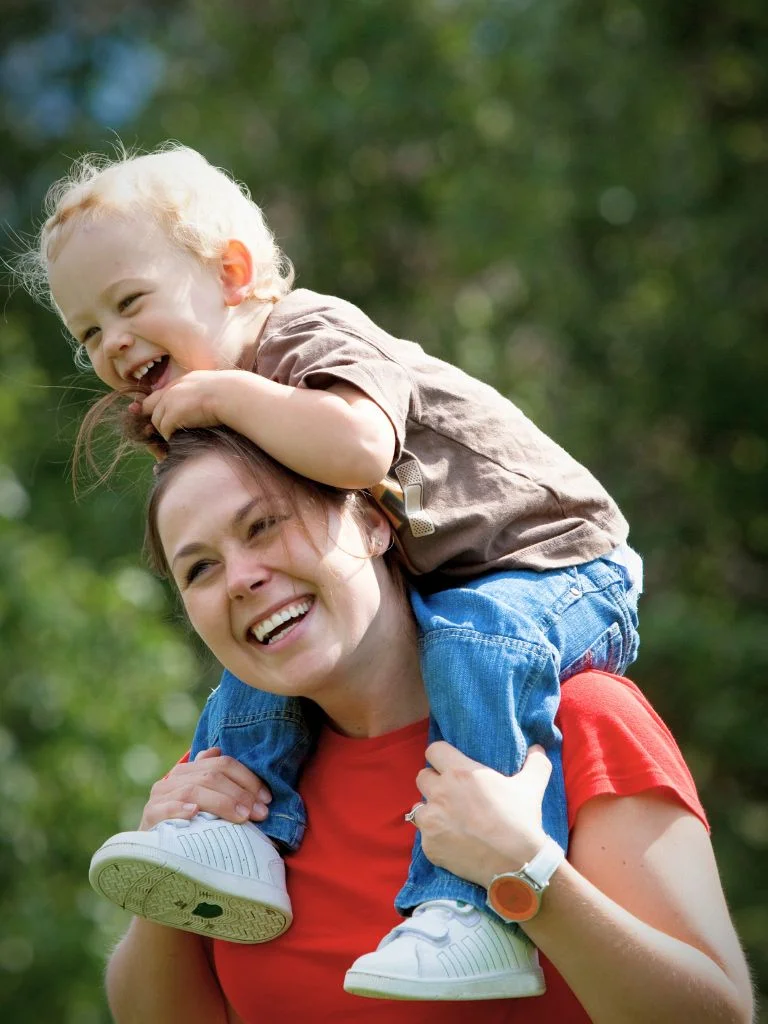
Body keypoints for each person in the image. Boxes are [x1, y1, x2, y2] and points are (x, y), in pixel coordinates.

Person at [26, 143, 644, 999]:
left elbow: (358, 452)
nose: (114, 342)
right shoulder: (245, 406)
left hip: (560, 558)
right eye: (88, 331)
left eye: (130, 303)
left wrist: (219, 398)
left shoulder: (308, 332)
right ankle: (242, 828)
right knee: (251, 684)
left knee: (475, 640)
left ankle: (468, 905)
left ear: (234, 273)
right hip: (461, 575)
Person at [104, 427, 752, 1023]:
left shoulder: (580, 718)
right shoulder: (228, 784)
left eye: (265, 525)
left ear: (375, 521)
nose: (241, 578)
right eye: (200, 568)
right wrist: (167, 880)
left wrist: (524, 872)